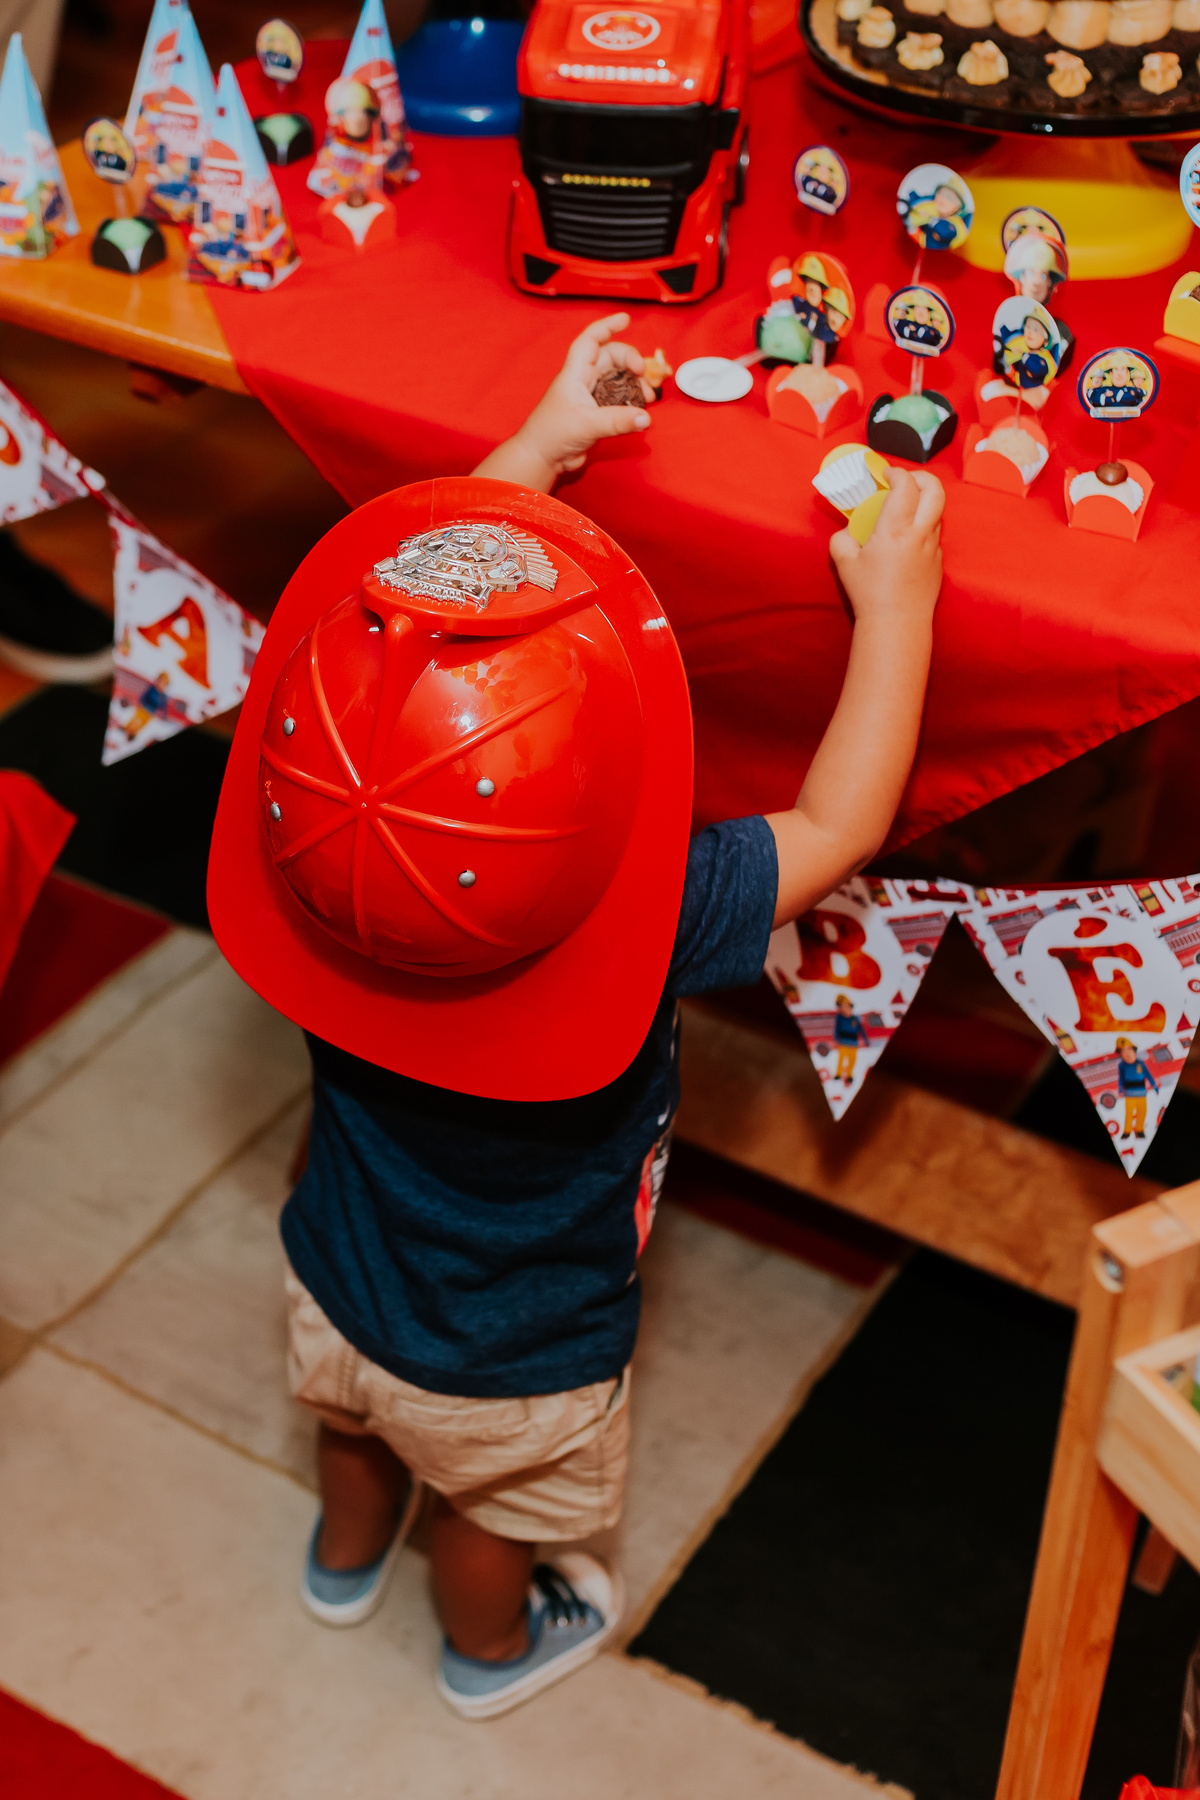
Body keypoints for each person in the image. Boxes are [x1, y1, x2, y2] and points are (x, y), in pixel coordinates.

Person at [226, 313, 944, 1722]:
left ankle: (341, 1556)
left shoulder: (304, 833)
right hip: (521, 1356)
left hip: (334, 1269)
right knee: (490, 1512)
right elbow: (839, 823)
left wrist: (545, 445)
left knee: (354, 1428)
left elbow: (403, 621)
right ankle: (488, 1649)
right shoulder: (650, 896)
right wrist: (900, 609)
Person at [1116, 1037, 1159, 1139]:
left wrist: (1154, 1086)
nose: (1127, 1053)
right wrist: (1120, 1090)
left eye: (1128, 1049)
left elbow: (1148, 1074)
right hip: (1129, 1095)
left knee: (1142, 1112)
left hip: (1142, 1094)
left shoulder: (1140, 1063)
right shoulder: (1122, 1066)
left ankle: (1140, 1130)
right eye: (1123, 1051)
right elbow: (1121, 1078)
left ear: (1133, 1050)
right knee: (1129, 1114)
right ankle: (1127, 1131)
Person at [833, 992, 871, 1083]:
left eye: (847, 1006)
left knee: (852, 1060)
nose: (845, 1008)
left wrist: (866, 1040)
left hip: (853, 1043)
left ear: (850, 1006)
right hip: (843, 1042)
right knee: (841, 1059)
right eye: (842, 1006)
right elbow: (837, 1028)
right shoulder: (839, 1018)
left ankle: (849, 1074)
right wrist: (836, 1038)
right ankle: (838, 1073)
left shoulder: (855, 1019)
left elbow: (861, 1029)